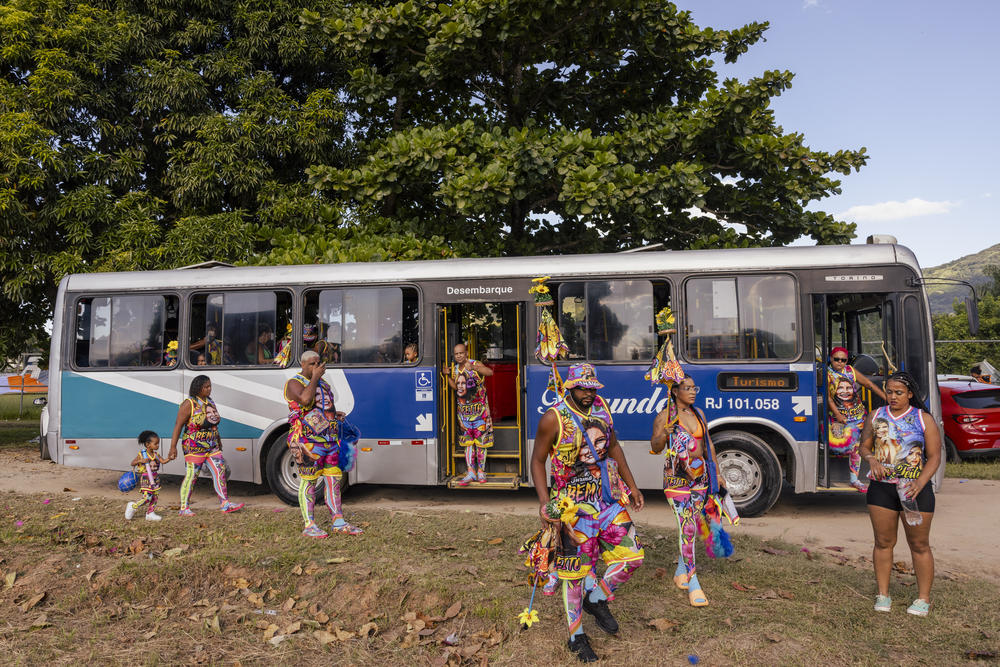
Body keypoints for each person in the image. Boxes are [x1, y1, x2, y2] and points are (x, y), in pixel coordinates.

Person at [531, 363, 645, 663]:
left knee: (633, 556)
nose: (589, 393)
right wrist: (546, 504)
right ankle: (576, 636)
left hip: (606, 501)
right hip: (571, 509)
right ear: (570, 387)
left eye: (593, 388)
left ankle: (596, 598)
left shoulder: (602, 408)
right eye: (583, 388)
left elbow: (614, 447)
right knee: (574, 573)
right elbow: (537, 461)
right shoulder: (552, 419)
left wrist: (632, 485)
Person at [859, 371, 941, 617]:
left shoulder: (922, 418)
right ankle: (883, 594)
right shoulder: (876, 415)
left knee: (919, 544)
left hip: (915, 491)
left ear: (910, 395)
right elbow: (864, 445)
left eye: (898, 393)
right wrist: (871, 459)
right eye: (889, 391)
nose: (892, 397)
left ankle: (923, 599)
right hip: (881, 489)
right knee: (883, 543)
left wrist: (920, 482)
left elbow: (935, 456)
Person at [649, 375, 729, 607]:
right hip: (676, 480)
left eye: (695, 387)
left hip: (701, 477)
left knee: (691, 526)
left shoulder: (699, 413)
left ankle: (680, 573)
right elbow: (654, 447)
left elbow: (708, 444)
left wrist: (718, 473)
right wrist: (665, 432)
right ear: (674, 391)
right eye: (687, 388)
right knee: (688, 525)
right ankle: (693, 583)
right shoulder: (665, 416)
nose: (693, 392)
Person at [284, 350, 362, 538]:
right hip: (307, 442)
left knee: (334, 480)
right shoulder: (294, 383)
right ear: (302, 364)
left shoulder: (323, 384)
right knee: (309, 482)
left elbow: (322, 407)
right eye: (312, 364)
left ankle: (338, 521)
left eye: (318, 363)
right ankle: (309, 524)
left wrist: (335, 415)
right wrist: (315, 378)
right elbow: (305, 400)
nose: (317, 367)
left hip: (330, 440)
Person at [167, 375, 245, 515]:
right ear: (198, 388)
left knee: (219, 471)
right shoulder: (189, 403)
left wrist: (218, 440)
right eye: (206, 387)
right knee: (192, 476)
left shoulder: (210, 401)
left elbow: (213, 422)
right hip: (193, 446)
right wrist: (173, 447)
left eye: (210, 386)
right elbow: (178, 425)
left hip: (211, 444)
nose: (209, 389)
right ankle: (184, 508)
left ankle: (225, 503)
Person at [827, 347, 886, 492]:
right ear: (831, 359)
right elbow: (828, 397)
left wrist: (887, 399)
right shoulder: (827, 374)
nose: (840, 362)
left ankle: (856, 479)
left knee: (862, 446)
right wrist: (838, 415)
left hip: (859, 416)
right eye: (836, 359)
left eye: (843, 360)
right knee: (839, 446)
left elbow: (868, 384)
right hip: (841, 419)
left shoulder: (850, 371)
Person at [443, 343, 494, 484]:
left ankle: (481, 472)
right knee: (468, 444)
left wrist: (476, 368)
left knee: (481, 444)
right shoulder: (454, 369)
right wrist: (447, 376)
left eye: (461, 353)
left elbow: (490, 372)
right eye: (456, 354)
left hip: (481, 413)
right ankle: (470, 472)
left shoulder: (474, 363)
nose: (459, 356)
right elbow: (455, 388)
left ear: (466, 353)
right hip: (464, 415)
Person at [125, 430, 171, 522]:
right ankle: (133, 506)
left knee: (155, 496)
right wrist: (140, 461)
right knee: (147, 497)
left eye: (158, 443)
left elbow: (163, 461)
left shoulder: (156, 455)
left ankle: (150, 513)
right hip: (146, 478)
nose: (158, 446)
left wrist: (170, 458)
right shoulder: (142, 454)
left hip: (155, 478)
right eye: (156, 444)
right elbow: (132, 463)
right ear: (148, 444)